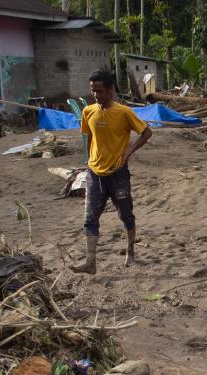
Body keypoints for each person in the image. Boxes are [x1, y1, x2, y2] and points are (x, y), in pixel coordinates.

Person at [71, 69, 153, 274]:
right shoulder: (88, 111)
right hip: (94, 174)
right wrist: (89, 161)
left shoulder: (124, 112)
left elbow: (146, 132)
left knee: (126, 215)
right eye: (93, 91)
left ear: (110, 90)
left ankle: (131, 253)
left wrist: (128, 152)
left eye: (99, 91)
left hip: (118, 174)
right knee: (90, 218)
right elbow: (89, 138)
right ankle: (91, 262)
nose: (96, 95)